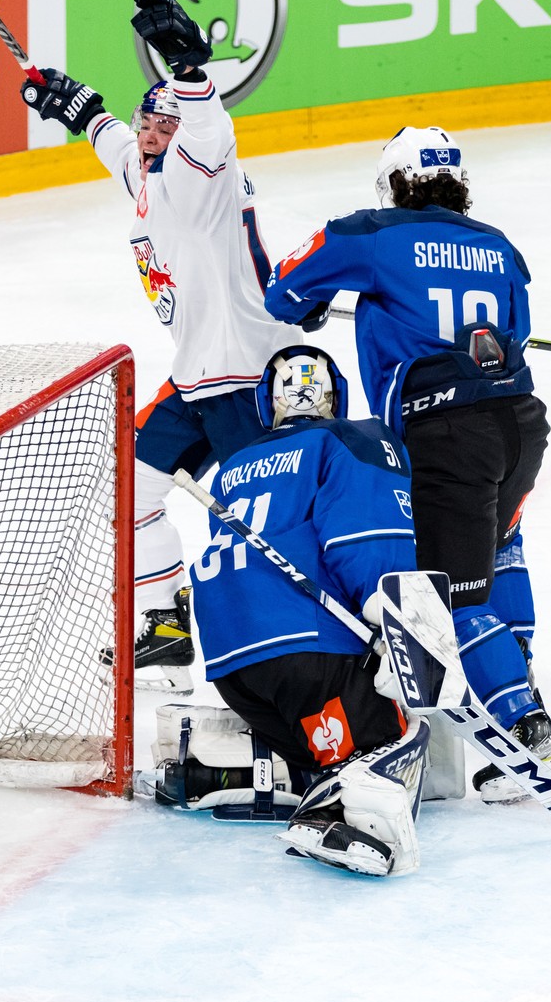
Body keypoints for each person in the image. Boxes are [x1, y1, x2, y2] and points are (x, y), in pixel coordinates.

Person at [261, 126, 551, 802]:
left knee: (448, 599)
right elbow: (507, 336)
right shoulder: (500, 247)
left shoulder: (374, 232)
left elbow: (282, 290)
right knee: (502, 546)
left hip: (444, 435)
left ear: (394, 182)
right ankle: (522, 687)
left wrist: (312, 303)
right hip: (519, 424)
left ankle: (531, 732)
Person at [20, 0, 292, 695]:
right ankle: (167, 631)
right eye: (147, 120)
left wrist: (191, 69)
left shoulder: (205, 173)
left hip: (247, 377)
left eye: (163, 125)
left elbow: (207, 130)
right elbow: (117, 140)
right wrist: (78, 105)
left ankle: (297, 642)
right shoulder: (153, 170)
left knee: (270, 524)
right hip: (198, 374)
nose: (148, 133)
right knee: (131, 492)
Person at [185, 345, 430, 877]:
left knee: (326, 757)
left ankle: (293, 779)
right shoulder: (351, 438)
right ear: (335, 395)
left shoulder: (234, 468)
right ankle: (333, 819)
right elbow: (365, 537)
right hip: (311, 650)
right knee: (398, 740)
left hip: (235, 662)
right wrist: (392, 620)